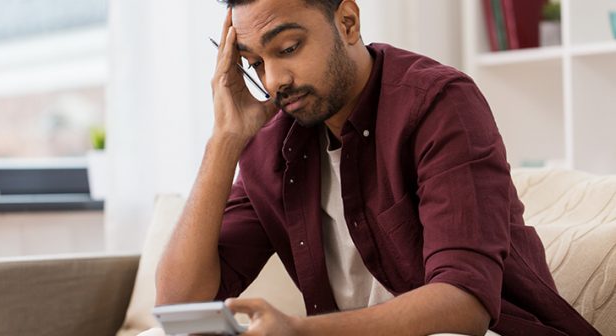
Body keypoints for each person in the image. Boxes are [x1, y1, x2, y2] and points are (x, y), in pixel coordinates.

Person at [155, 0, 600, 335]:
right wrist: (224, 141)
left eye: (288, 48)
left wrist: (299, 331)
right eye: (255, 63)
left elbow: (465, 302)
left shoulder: (438, 103)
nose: (273, 82)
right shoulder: (271, 142)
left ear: (347, 22)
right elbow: (177, 308)